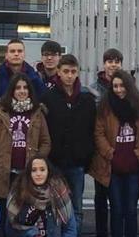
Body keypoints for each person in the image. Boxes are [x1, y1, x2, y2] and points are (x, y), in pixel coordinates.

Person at [0, 73, 52, 236]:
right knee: (0, 216)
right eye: (18, 88)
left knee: (20, 219)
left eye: (25, 87)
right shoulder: (0, 112)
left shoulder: (37, 113)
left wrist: (37, 165)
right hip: (4, 173)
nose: (22, 91)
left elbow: (45, 141)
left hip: (27, 175)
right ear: (11, 90)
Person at [90, 70, 139, 237]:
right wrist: (111, 154)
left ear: (129, 86)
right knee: (116, 209)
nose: (118, 89)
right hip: (112, 168)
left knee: (131, 210)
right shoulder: (105, 106)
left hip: (134, 167)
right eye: (115, 86)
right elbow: (99, 133)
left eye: (122, 85)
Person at [41, 54, 96, 228]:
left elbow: (91, 129)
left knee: (76, 207)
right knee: (54, 206)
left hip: (77, 162)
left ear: (78, 72)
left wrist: (86, 156)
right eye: (66, 71)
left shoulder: (86, 99)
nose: (69, 75)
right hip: (55, 161)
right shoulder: (48, 97)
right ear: (58, 72)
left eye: (73, 71)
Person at [88, 47, 123, 237]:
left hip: (122, 150)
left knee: (120, 199)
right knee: (101, 196)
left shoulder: (128, 86)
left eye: (117, 61)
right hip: (101, 151)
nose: (113, 64)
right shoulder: (93, 88)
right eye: (110, 61)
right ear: (104, 64)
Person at [0, 39, 47, 134]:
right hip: (0, 136)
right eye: (12, 51)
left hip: (28, 136)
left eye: (19, 51)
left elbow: (41, 110)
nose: (16, 54)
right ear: (6, 55)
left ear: (24, 54)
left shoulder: (35, 79)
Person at [6, 156, 78, 237]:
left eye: (42, 170)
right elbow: (10, 230)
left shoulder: (59, 192)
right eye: (34, 170)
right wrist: (31, 234)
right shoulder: (18, 192)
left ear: (48, 172)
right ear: (29, 173)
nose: (38, 174)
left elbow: (70, 229)